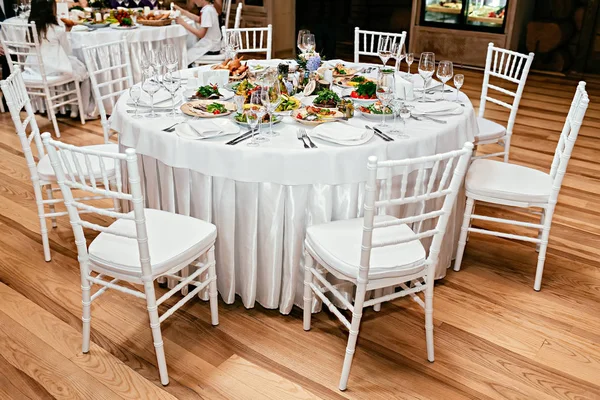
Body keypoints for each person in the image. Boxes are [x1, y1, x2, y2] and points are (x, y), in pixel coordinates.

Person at [25, 0, 93, 117]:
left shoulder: (30, 29)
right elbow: (68, 51)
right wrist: (67, 31)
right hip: (54, 69)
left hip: (34, 69)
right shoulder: (56, 29)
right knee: (83, 73)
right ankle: (81, 109)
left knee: (73, 71)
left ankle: (74, 108)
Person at [173, 0, 222, 65]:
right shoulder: (210, 8)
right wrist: (182, 11)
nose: (194, 1)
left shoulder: (207, 11)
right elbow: (199, 19)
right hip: (213, 45)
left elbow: (200, 34)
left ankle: (188, 70)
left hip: (211, 48)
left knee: (184, 56)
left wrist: (183, 23)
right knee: (187, 51)